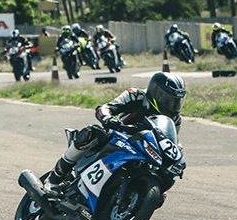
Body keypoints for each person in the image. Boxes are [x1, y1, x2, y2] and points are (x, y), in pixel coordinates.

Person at [44, 72, 187, 193]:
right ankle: (55, 177)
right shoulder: (135, 95)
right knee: (92, 133)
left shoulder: (175, 120)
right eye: (168, 100)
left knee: (163, 186)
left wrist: (178, 159)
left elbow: (171, 142)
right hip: (116, 137)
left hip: (142, 150)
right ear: (155, 93)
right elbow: (105, 108)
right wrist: (108, 119)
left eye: (176, 102)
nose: (172, 106)